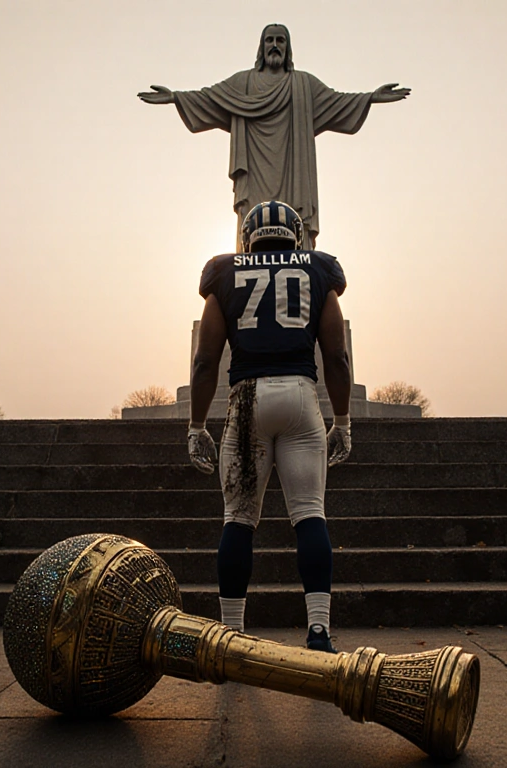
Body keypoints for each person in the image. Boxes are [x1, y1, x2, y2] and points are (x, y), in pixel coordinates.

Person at [186, 200, 352, 653]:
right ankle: (318, 632)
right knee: (309, 514)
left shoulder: (224, 270)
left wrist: (197, 425)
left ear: (248, 237)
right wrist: (343, 419)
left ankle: (233, 637)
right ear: (296, 236)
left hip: (245, 401)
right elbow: (336, 355)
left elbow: (206, 360)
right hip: (300, 396)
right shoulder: (319, 268)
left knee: (238, 521)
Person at [139, 23, 409, 247]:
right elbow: (211, 98)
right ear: (262, 46)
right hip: (255, 175)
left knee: (294, 231)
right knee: (252, 231)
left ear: (288, 47)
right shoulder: (244, 83)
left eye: (281, 40)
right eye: (270, 40)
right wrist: (175, 97)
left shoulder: (303, 84)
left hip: (294, 175)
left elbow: (337, 101)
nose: (275, 45)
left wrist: (371, 98)